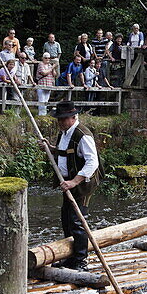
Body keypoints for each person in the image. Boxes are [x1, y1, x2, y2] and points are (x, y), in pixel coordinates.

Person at [42, 101, 101, 271]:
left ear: (73, 117)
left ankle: (81, 261)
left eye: (63, 119)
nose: (59, 122)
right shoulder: (64, 132)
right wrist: (50, 148)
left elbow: (92, 162)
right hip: (67, 182)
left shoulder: (83, 135)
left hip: (82, 184)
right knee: (66, 220)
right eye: (58, 119)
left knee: (77, 221)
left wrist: (74, 181)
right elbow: (64, 152)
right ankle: (70, 257)